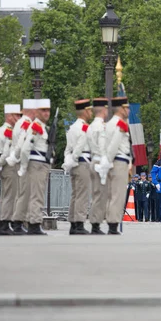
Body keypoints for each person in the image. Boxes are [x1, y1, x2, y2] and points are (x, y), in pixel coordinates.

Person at [18, 99, 52, 235]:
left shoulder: (42, 127)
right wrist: (24, 166)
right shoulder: (36, 126)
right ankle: (34, 223)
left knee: (36, 194)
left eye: (48, 110)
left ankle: (31, 222)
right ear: (36, 112)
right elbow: (26, 148)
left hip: (41, 163)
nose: (46, 113)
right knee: (36, 195)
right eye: (43, 110)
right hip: (36, 164)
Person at [5, 99, 37, 234]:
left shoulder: (21, 123)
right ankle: (18, 222)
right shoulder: (26, 124)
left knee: (21, 193)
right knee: (23, 194)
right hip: (21, 162)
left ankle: (17, 222)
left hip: (18, 161)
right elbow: (22, 145)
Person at [62, 99, 93, 235]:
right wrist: (74, 158)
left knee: (75, 194)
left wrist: (68, 161)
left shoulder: (72, 127)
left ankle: (73, 223)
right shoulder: (85, 127)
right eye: (90, 110)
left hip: (74, 163)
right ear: (85, 111)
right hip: (82, 162)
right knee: (82, 195)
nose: (91, 112)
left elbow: (67, 148)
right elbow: (81, 145)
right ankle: (79, 223)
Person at [0, 104, 21, 236]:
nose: (19, 118)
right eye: (16, 115)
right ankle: (4, 224)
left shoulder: (4, 130)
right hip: (9, 166)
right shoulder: (8, 131)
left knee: (8, 196)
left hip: (6, 166)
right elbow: (5, 151)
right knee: (9, 196)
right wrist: (0, 164)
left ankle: (6, 223)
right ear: (9, 116)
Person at [104, 96, 132, 235]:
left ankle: (111, 222)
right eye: (126, 107)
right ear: (120, 109)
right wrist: (108, 161)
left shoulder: (109, 123)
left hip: (115, 161)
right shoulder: (120, 124)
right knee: (117, 195)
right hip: (118, 161)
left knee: (112, 194)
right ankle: (113, 225)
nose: (129, 110)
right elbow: (114, 145)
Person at [87, 97, 109, 234]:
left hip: (93, 160)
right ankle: (95, 223)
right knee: (100, 195)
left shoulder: (90, 126)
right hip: (100, 161)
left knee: (96, 193)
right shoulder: (101, 127)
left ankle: (95, 222)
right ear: (103, 110)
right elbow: (102, 146)